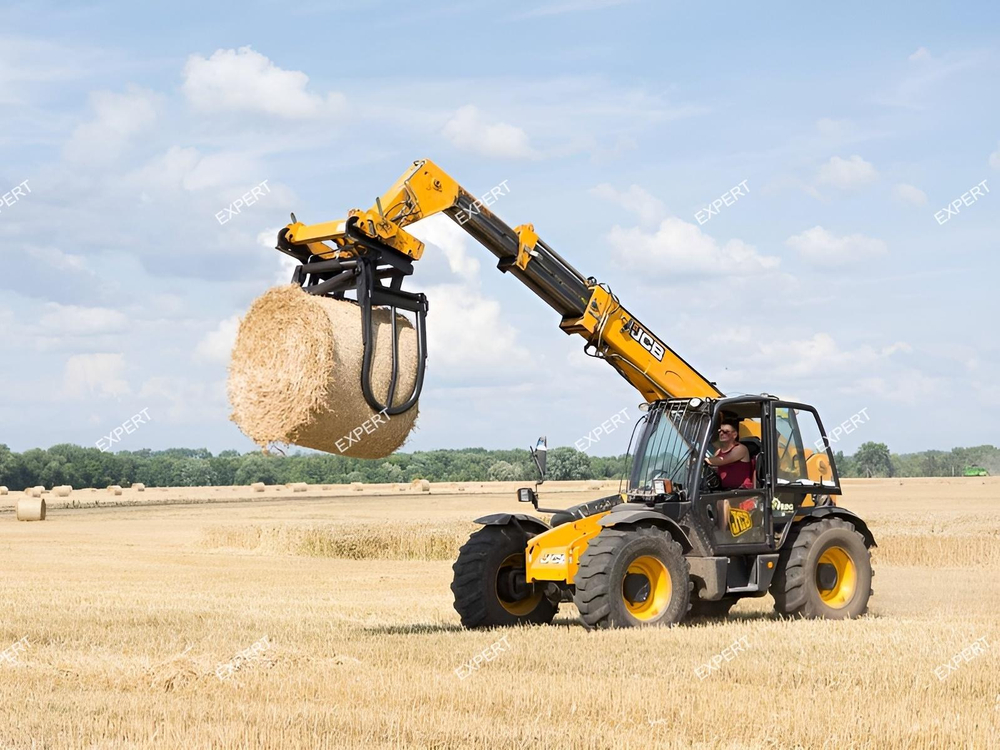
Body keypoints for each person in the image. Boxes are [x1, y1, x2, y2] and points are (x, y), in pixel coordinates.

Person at [705, 419, 753, 490]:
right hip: (724, 491)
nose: (721, 433)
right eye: (720, 431)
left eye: (726, 432)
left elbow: (721, 461)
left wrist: (703, 460)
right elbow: (713, 464)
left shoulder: (740, 449)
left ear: (734, 435)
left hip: (741, 492)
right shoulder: (719, 451)